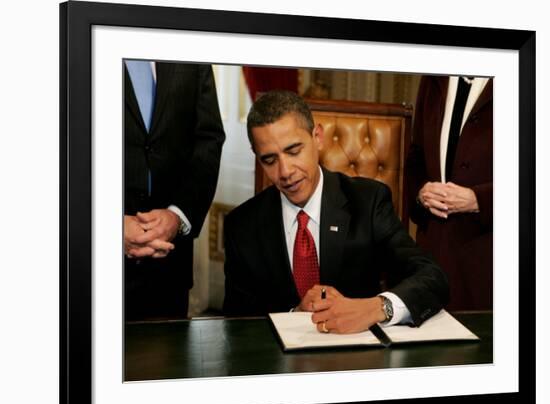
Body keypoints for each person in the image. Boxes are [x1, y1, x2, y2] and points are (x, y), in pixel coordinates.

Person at [223, 90, 448, 334]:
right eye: (269, 160)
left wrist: (376, 308)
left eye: (294, 150)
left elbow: (432, 277)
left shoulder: (368, 201)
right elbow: (237, 325)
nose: (285, 171)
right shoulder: (241, 226)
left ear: (317, 137)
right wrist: (294, 316)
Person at [124, 60, 225, 320]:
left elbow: (208, 139)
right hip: (86, 267)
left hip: (170, 268)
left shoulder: (189, 47)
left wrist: (177, 216)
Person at [405, 75, 492, 311]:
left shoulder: (525, 71)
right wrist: (422, 192)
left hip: (489, 261)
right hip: (431, 256)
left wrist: (480, 200)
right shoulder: (434, 76)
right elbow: (416, 156)